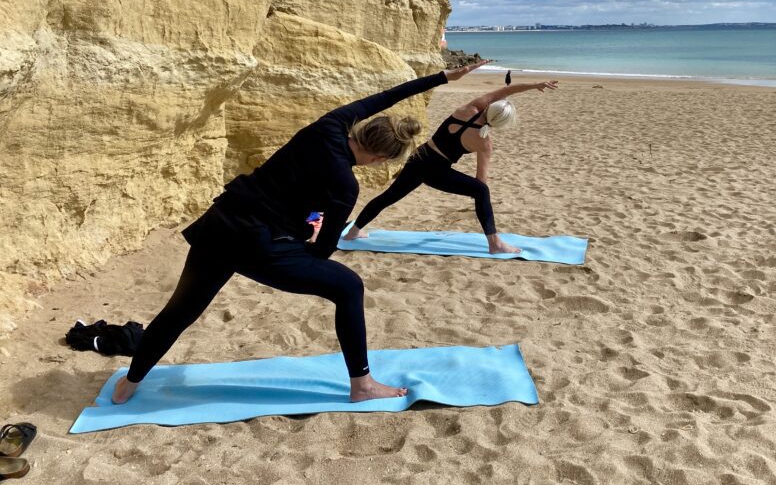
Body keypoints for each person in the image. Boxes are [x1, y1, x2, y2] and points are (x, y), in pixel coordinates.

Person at [111, 61, 488, 405]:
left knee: (182, 309)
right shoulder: (346, 186)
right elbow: (323, 251)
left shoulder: (328, 126)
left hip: (220, 224)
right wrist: (300, 239)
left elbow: (383, 97)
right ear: (379, 158)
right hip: (260, 245)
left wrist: (442, 77)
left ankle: (130, 383)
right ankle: (363, 385)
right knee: (348, 287)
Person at [343, 77, 557, 254]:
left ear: (490, 106)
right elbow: (480, 180)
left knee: (389, 196)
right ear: (500, 124)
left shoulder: (468, 108)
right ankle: (495, 243)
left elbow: (505, 90)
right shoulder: (484, 143)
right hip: (437, 170)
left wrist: (535, 85)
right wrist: (477, 197)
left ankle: (354, 231)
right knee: (481, 190)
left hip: (419, 157)